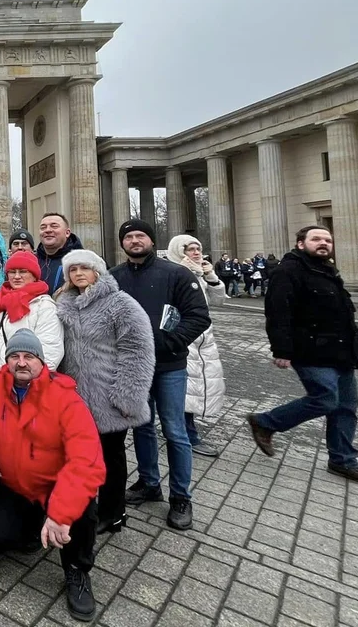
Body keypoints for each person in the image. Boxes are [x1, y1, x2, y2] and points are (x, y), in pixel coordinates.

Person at [0, 329, 105, 622]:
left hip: (54, 486)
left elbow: (88, 462)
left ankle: (76, 571)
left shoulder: (66, 400)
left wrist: (60, 513)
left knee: (81, 507)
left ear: (42, 362)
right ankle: (34, 527)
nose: (21, 362)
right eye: (15, 356)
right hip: (15, 484)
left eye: (29, 356)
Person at [247, 226, 358, 490]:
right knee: (325, 399)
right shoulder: (288, 271)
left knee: (346, 407)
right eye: (316, 239)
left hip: (341, 351)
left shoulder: (327, 270)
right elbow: (278, 313)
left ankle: (343, 460)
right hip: (310, 350)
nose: (323, 243)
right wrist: (281, 350)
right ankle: (265, 422)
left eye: (327, 240)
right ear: (301, 244)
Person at [111, 219, 211, 531]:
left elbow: (198, 316)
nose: (135, 241)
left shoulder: (176, 273)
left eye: (141, 235)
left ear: (152, 241)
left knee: (175, 430)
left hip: (169, 365)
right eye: (129, 237)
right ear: (122, 243)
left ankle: (181, 496)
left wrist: (168, 342)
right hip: (132, 367)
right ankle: (149, 483)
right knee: (140, 427)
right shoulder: (114, 277)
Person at [56, 250, 154, 535]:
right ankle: (85, 506)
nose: (78, 274)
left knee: (111, 456)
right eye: (73, 270)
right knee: (81, 455)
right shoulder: (65, 302)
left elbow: (138, 350)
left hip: (108, 395)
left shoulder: (120, 303)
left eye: (84, 268)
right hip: (75, 397)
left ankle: (114, 512)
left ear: (97, 271)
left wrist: (128, 396)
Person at [165, 235, 227, 459]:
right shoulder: (174, 273)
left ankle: (182, 431)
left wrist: (211, 276)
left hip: (203, 339)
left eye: (198, 248)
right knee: (185, 390)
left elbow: (219, 301)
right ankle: (187, 435)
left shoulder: (200, 273)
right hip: (183, 338)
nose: (196, 253)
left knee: (195, 387)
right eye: (190, 249)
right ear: (179, 252)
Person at [0, 250, 64, 370]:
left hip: (29, 382)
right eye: (12, 272)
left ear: (34, 275)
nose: (16, 276)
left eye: (22, 272)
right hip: (1, 379)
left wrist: (22, 379)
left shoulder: (44, 306)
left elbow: (51, 351)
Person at [36, 213, 83, 294]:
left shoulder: (86, 261)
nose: (48, 230)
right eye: (43, 227)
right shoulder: (32, 260)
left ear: (67, 233)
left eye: (54, 226)